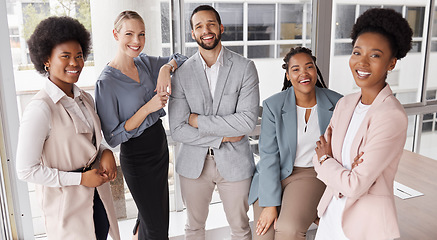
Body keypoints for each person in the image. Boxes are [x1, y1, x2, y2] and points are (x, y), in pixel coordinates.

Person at [15, 16, 120, 240]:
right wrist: (81, 180)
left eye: (79, 56)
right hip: (66, 207)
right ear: (46, 60)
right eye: (65, 56)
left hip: (98, 198)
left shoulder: (86, 99)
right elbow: (26, 170)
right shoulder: (40, 109)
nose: (75, 63)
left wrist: (106, 152)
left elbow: (89, 145)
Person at [313, 8, 412, 240]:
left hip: (364, 228)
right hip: (330, 218)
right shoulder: (345, 104)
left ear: (391, 63)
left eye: (375, 55)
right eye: (357, 52)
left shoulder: (391, 116)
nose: (362, 62)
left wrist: (329, 160)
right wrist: (342, 169)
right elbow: (316, 158)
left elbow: (353, 185)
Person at [168, 5, 259, 240]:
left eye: (210, 24)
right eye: (199, 26)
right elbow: (178, 129)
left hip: (235, 162)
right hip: (193, 165)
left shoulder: (244, 68)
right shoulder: (181, 74)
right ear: (192, 33)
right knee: (194, 228)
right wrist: (223, 135)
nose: (205, 30)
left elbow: (247, 122)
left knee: (240, 227)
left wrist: (197, 120)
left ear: (221, 28)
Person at [94, 10, 187, 240]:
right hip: (136, 155)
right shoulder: (106, 82)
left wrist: (166, 68)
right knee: (157, 228)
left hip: (158, 145)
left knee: (154, 217)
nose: (136, 41)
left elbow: (183, 58)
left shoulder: (145, 63)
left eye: (141, 34)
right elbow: (113, 136)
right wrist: (148, 107)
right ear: (116, 35)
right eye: (129, 34)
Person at [248, 47, 342, 240]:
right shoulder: (273, 105)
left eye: (309, 67)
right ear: (288, 75)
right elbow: (268, 156)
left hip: (312, 173)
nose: (304, 73)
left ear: (316, 70)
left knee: (288, 230)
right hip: (274, 172)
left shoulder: (338, 103)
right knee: (264, 235)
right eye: (296, 69)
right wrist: (271, 205)